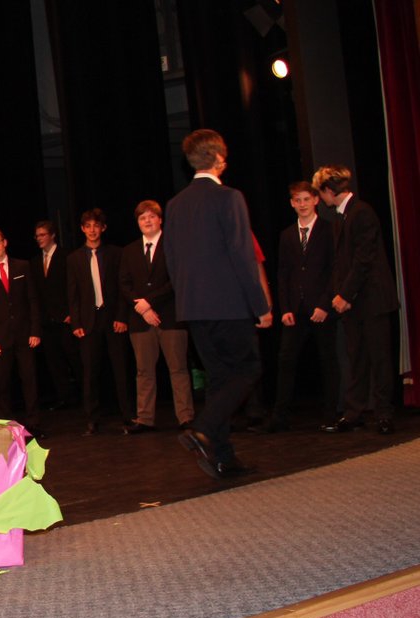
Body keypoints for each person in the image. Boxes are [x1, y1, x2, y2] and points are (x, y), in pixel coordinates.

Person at [164, 129, 271, 479]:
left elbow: (171, 260)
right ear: (219, 158)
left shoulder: (175, 205)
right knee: (247, 370)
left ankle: (223, 457)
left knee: (220, 378)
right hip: (229, 306)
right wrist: (260, 305)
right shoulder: (229, 197)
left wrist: (186, 299)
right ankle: (203, 428)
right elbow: (242, 255)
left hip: (193, 308)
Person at [312, 165, 399, 434]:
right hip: (353, 302)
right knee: (356, 358)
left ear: (328, 190)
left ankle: (384, 414)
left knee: (379, 358)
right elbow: (341, 264)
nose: (321, 199)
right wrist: (339, 295)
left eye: (320, 193)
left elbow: (364, 259)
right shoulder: (342, 217)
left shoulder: (361, 212)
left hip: (372, 300)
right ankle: (354, 413)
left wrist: (345, 294)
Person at [118, 200, 195, 433]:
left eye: (151, 216)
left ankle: (186, 417)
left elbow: (177, 279)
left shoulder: (173, 245)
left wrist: (150, 302)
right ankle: (144, 419)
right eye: (142, 218)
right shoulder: (129, 250)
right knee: (144, 372)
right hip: (140, 321)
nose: (147, 221)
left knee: (178, 369)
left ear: (160, 219)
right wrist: (143, 308)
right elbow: (124, 284)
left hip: (170, 317)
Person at [269, 182, 339, 432]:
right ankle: (280, 416)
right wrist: (285, 308)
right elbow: (283, 273)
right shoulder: (287, 235)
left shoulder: (329, 230)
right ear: (291, 203)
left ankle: (331, 414)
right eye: (297, 200)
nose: (302, 204)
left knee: (328, 360)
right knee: (286, 360)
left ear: (316, 200)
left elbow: (335, 270)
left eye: (306, 199)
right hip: (295, 309)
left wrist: (324, 304)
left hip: (321, 308)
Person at [67, 209, 133, 435]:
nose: (92, 230)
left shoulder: (116, 254)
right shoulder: (74, 258)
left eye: (96, 226)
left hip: (112, 317)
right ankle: (92, 419)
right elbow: (73, 294)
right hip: (88, 320)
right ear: (82, 229)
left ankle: (128, 415)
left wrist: (122, 316)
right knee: (90, 372)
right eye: (88, 226)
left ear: (103, 228)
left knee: (121, 368)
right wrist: (76, 323)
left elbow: (123, 288)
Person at [0, 226, 42, 434]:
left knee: (30, 380)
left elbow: (33, 300)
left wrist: (35, 330)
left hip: (24, 334)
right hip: (0, 339)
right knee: (3, 384)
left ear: (5, 243)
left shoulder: (22, 266)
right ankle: (6, 426)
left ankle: (34, 424)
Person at [29, 220, 79, 410]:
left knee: (74, 358)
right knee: (54, 362)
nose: (39, 239)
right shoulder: (35, 262)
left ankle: (84, 396)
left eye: (42, 235)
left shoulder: (67, 256)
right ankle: (65, 397)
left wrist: (71, 312)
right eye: (37, 236)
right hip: (47, 321)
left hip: (66, 318)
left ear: (52, 235)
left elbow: (73, 287)